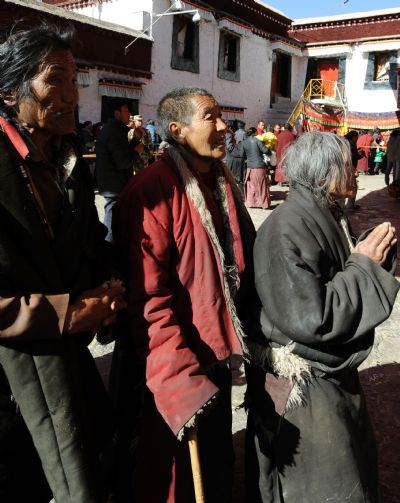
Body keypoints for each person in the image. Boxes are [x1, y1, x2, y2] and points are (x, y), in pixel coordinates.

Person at [0, 24, 126, 502]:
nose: (72, 95)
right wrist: (67, 313)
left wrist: (110, 286)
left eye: (76, 81)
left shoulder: (68, 160)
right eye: (56, 80)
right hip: (9, 382)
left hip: (63, 365)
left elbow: (87, 240)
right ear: (10, 92)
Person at [112, 86, 255, 503]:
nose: (224, 127)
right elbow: (148, 298)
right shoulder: (152, 190)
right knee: (169, 473)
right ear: (177, 130)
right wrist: (177, 377)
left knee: (213, 460)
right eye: (211, 117)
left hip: (215, 348)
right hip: (173, 359)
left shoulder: (221, 181)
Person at [245, 132, 399, 503]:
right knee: (324, 480)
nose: (356, 171)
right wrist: (365, 266)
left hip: (327, 377)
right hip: (305, 386)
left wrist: (364, 256)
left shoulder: (322, 211)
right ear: (327, 173)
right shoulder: (286, 228)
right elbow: (312, 317)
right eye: (348, 164)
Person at [96, 100, 143, 242]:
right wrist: (136, 152)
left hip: (115, 182)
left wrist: (136, 140)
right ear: (117, 113)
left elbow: (123, 150)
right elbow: (123, 161)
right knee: (112, 217)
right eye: (126, 111)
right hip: (114, 184)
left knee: (118, 216)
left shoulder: (116, 129)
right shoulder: (113, 131)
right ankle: (109, 249)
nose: (130, 114)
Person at [242, 127, 271, 209]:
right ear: (255, 133)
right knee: (261, 186)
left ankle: (251, 203)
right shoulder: (257, 141)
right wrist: (269, 148)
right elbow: (265, 151)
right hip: (259, 166)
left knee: (251, 186)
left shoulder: (244, 142)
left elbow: (241, 154)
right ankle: (263, 204)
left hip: (249, 167)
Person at [344, 129, 363, 210]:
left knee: (349, 186)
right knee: (352, 187)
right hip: (350, 167)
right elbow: (352, 156)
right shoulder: (350, 144)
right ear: (354, 137)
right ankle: (350, 205)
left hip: (347, 168)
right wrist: (360, 155)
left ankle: (348, 205)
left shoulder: (346, 142)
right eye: (357, 137)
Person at [225, 119, 245, 191]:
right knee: (234, 179)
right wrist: (238, 152)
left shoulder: (228, 133)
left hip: (228, 158)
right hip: (230, 158)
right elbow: (229, 147)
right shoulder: (228, 133)